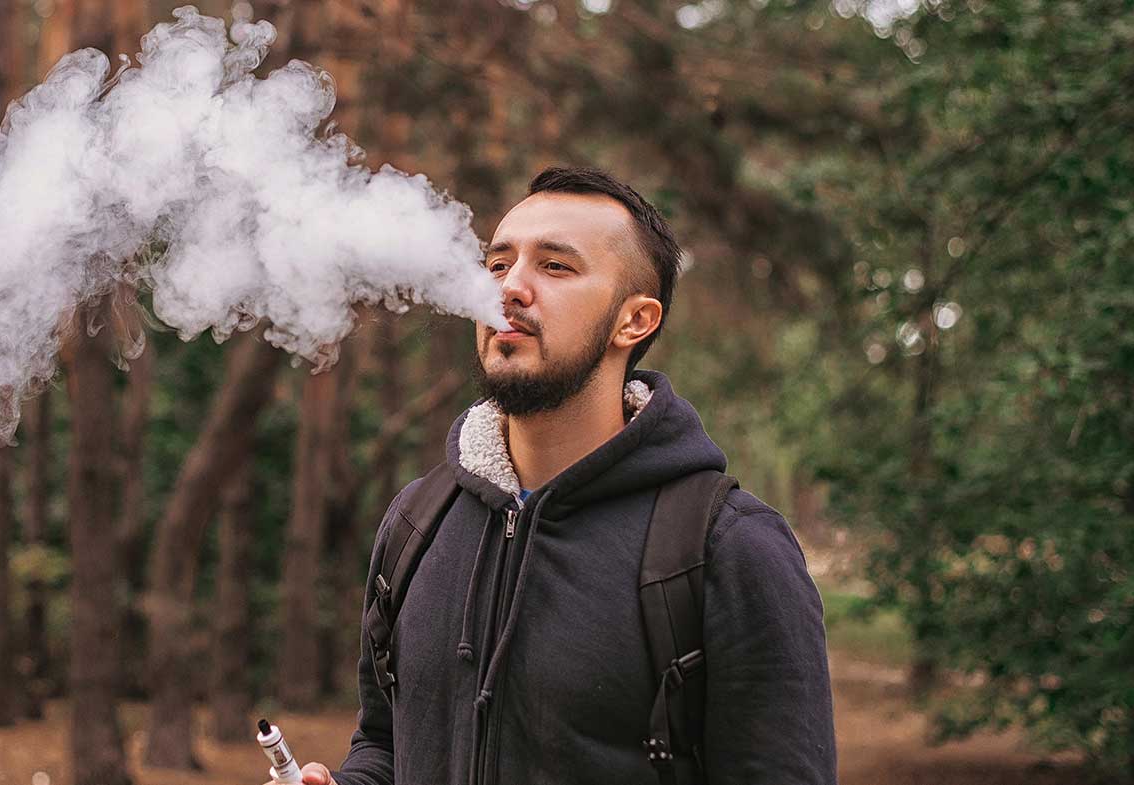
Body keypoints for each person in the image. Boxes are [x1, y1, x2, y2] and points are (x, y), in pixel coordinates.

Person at [284, 166, 836, 785]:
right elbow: (386, 742)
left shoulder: (729, 549)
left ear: (635, 321)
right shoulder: (417, 522)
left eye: (554, 267)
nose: (508, 289)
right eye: (497, 265)